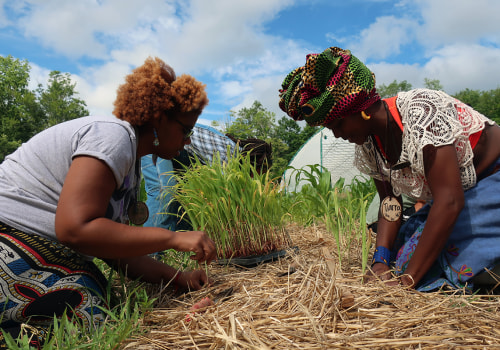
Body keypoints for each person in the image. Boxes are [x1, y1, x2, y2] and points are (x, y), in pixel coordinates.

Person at [0, 57, 217, 343]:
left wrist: (178, 277)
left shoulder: (129, 163)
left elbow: (113, 249)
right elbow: (75, 229)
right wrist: (172, 238)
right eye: (186, 130)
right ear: (159, 118)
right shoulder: (112, 135)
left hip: (36, 244)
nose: (187, 141)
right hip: (10, 237)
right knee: (84, 310)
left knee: (102, 300)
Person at [279, 46, 500, 292]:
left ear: (361, 109)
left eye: (338, 124)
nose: (338, 135)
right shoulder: (370, 145)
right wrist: (380, 261)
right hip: (460, 194)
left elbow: (449, 201)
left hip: (492, 180)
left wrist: (408, 282)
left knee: (446, 251)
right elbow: (389, 203)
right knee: (403, 248)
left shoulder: (421, 112)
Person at [142, 126, 272, 232]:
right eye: (257, 173)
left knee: (186, 202)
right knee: (164, 193)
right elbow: (221, 197)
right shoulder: (229, 155)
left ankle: (179, 252)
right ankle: (150, 254)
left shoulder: (235, 161)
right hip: (159, 141)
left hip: (178, 153)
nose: (254, 179)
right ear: (253, 163)